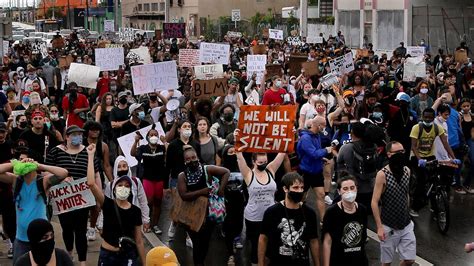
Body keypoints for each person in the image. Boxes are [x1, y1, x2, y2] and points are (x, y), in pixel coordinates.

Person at [45, 125, 101, 265]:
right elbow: (46, 172)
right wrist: (61, 178)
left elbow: (96, 174)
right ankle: (69, 253)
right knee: (67, 228)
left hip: (83, 198)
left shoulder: (88, 152)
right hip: (63, 199)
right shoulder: (55, 152)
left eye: (80, 134)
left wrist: (99, 195)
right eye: (74, 134)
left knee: (81, 230)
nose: (78, 137)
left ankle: (82, 261)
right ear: (67, 137)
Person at [86, 144, 146, 265]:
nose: (123, 188)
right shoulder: (107, 204)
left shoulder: (135, 211)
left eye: (127, 186)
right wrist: (91, 156)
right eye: (120, 185)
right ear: (114, 189)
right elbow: (91, 183)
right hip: (107, 257)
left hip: (128, 256)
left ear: (130, 190)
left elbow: (139, 241)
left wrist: (144, 263)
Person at [0, 157, 68, 263]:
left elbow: (63, 173)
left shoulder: (43, 181)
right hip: (21, 238)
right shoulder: (15, 180)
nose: (25, 162)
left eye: (28, 159)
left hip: (42, 238)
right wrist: (14, 164)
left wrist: (39, 165)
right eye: (22, 160)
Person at [235, 130, 285, 265]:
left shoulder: (271, 170)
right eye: (260, 162)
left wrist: (288, 136)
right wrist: (237, 139)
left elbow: (282, 152)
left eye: (265, 161)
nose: (263, 164)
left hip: (271, 216)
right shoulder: (248, 174)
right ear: (254, 161)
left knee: (272, 246)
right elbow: (239, 156)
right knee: (256, 248)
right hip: (254, 218)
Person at [177, 146, 229, 266]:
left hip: (208, 215)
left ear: (198, 158)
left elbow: (226, 172)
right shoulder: (182, 176)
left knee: (204, 243)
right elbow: (184, 195)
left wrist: (221, 189)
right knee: (197, 243)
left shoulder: (207, 169)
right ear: (185, 161)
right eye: (188, 159)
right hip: (191, 216)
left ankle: (200, 262)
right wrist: (202, 191)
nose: (192, 161)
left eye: (194, 157)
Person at [258, 172, 320, 266]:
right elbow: (263, 239)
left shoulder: (309, 213)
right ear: (285, 189)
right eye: (295, 187)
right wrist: (260, 263)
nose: (299, 191)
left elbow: (313, 241)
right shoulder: (272, 212)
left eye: (302, 188)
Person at [371, 141, 415, 266]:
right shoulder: (382, 174)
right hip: (388, 225)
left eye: (402, 151)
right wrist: (379, 227)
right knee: (386, 263)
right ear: (389, 154)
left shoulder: (407, 170)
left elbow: (406, 193)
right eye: (397, 152)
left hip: (406, 223)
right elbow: (374, 202)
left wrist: (407, 210)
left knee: (409, 260)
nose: (401, 154)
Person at [409, 107, 458, 216]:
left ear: (433, 118)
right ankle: (414, 207)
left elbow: (446, 144)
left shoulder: (437, 128)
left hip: (430, 156)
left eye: (430, 117)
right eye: (425, 117)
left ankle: (434, 208)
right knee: (421, 181)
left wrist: (453, 158)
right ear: (422, 117)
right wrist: (419, 159)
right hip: (417, 157)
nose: (428, 119)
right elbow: (413, 146)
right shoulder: (416, 128)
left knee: (435, 181)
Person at [322, 175, 368, 266]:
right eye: (345, 189)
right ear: (339, 191)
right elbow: (327, 242)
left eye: (352, 188)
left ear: (356, 189)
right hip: (339, 261)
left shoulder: (363, 210)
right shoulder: (331, 212)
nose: (349, 191)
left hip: (359, 261)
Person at [131, 124, 168, 234]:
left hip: (160, 179)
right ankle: (146, 221)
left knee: (158, 202)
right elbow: (133, 153)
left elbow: (169, 153)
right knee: (149, 201)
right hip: (147, 178)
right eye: (151, 135)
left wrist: (165, 141)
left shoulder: (161, 148)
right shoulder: (143, 148)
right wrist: (135, 141)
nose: (154, 136)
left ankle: (155, 225)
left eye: (155, 135)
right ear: (147, 137)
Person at [297, 116, 336, 221]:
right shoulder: (305, 138)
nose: (324, 128)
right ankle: (298, 217)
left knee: (321, 194)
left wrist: (322, 158)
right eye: (323, 125)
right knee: (302, 197)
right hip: (305, 172)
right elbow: (313, 153)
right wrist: (325, 151)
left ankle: (323, 220)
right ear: (318, 125)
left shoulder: (317, 135)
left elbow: (315, 152)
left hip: (316, 171)